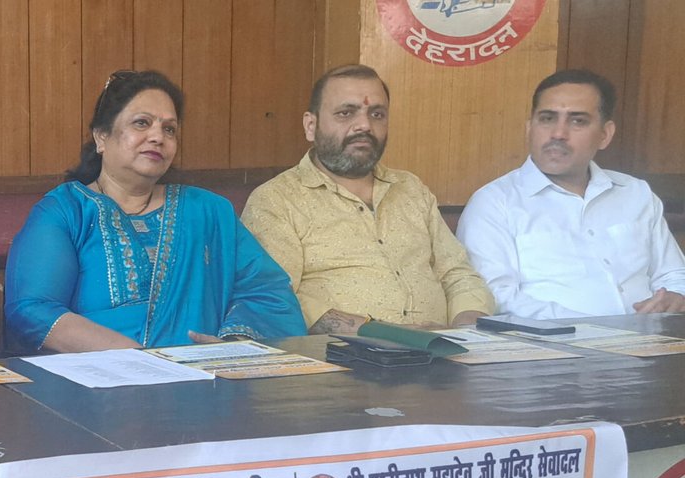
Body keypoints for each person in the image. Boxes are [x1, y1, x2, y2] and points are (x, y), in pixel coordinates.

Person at [4, 70, 304, 353]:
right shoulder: (66, 211)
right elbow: (31, 310)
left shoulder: (209, 212)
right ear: (101, 136)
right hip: (99, 378)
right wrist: (135, 357)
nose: (158, 137)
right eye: (141, 123)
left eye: (169, 129)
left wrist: (232, 344)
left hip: (204, 376)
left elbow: (268, 293)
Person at [241, 64, 494, 334]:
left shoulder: (410, 188)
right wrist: (389, 335)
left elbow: (457, 274)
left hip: (445, 350)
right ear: (311, 126)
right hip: (341, 356)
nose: (364, 125)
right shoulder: (277, 200)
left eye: (377, 114)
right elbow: (276, 298)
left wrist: (468, 330)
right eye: (346, 113)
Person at [457, 69, 685, 318]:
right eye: (547, 119)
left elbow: (674, 275)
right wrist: (597, 329)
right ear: (529, 128)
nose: (558, 134)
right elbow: (496, 298)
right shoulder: (495, 203)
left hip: (653, 337)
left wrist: (675, 296)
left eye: (577, 121)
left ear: (605, 135)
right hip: (553, 341)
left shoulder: (635, 192)